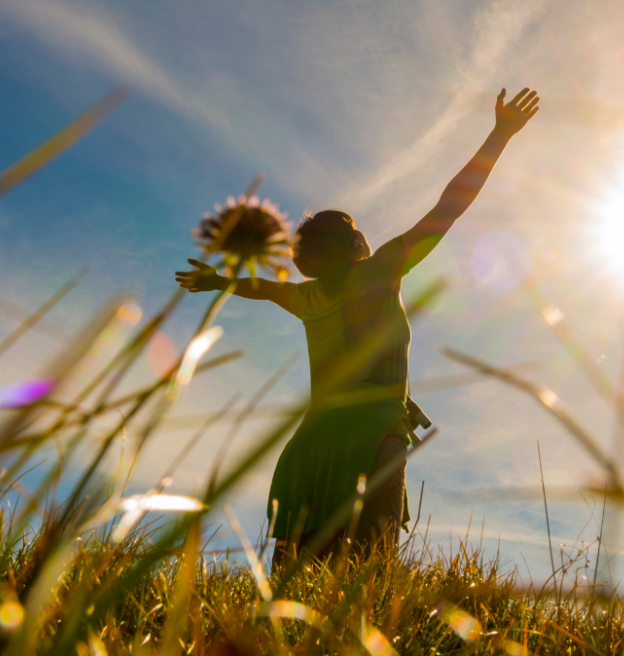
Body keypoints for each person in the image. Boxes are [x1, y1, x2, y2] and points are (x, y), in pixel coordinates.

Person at [175, 87, 539, 565]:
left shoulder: (342, 284)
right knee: (339, 558)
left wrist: (219, 280)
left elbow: (448, 208)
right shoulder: (345, 281)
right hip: (346, 435)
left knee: (334, 558)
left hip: (344, 436)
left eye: (310, 239)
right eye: (300, 242)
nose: (299, 246)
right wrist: (222, 280)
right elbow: (448, 208)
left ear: (343, 248)